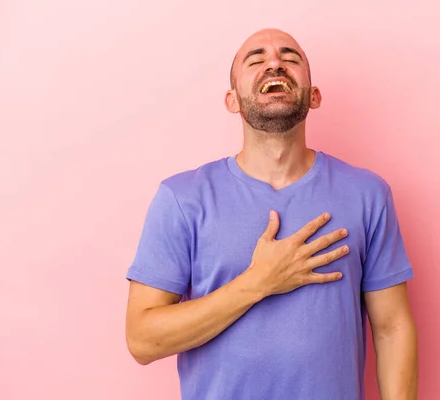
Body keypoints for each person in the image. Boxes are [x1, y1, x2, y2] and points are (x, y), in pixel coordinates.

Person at [125, 28, 418, 400]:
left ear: (313, 96)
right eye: (256, 60)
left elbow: (392, 327)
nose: (274, 63)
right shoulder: (181, 198)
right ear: (232, 100)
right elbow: (142, 340)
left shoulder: (367, 194)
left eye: (289, 58)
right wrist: (259, 281)